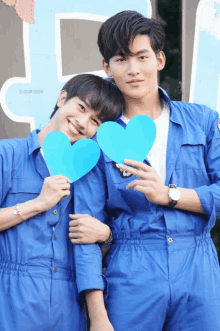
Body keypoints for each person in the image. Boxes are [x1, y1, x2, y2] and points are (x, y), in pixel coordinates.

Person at [70, 11, 220, 331]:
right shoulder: (99, 138)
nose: (134, 69)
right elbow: (85, 229)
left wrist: (170, 194)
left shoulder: (202, 122)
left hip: (198, 267)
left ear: (160, 59)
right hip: (132, 271)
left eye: (142, 56)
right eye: (122, 59)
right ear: (107, 68)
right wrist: (97, 316)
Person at [0, 74, 125, 331]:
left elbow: (90, 248)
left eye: (95, 121)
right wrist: (37, 204)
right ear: (62, 98)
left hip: (68, 304)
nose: (82, 123)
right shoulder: (7, 155)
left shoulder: (89, 174)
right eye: (81, 108)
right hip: (11, 297)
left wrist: (106, 235)